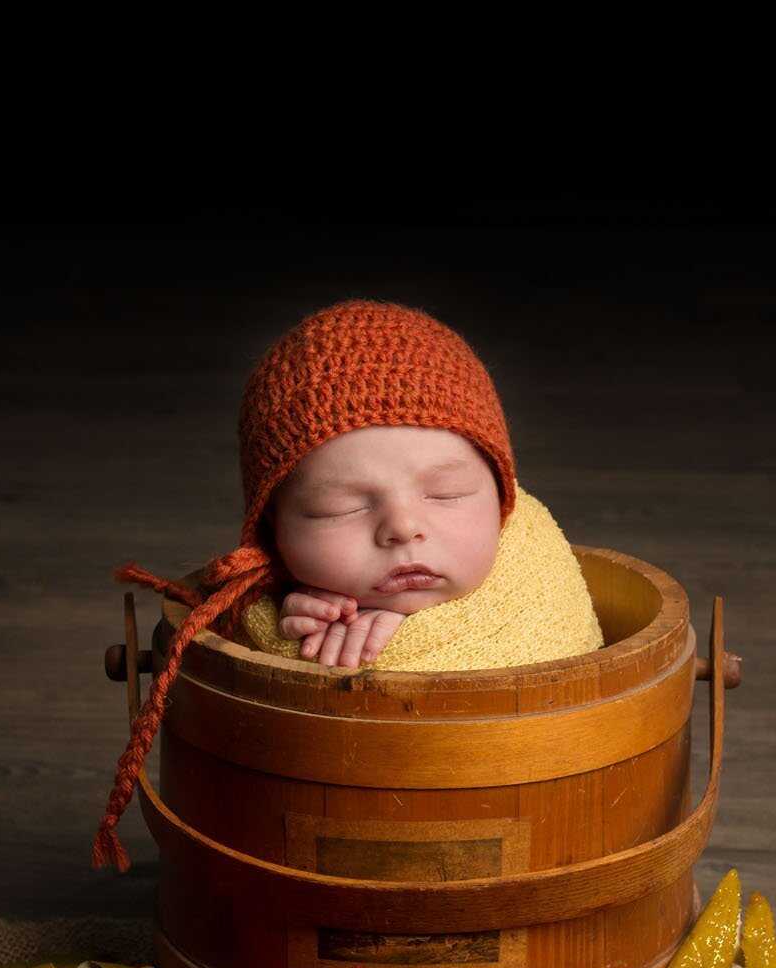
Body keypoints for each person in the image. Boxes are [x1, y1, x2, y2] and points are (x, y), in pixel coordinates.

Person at [92, 299, 604, 872]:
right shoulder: (291, 597)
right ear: (273, 533)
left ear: (501, 494)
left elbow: (551, 629)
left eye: (447, 494)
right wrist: (287, 625)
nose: (404, 527)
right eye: (340, 508)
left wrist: (409, 639)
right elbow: (256, 636)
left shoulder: (531, 561)